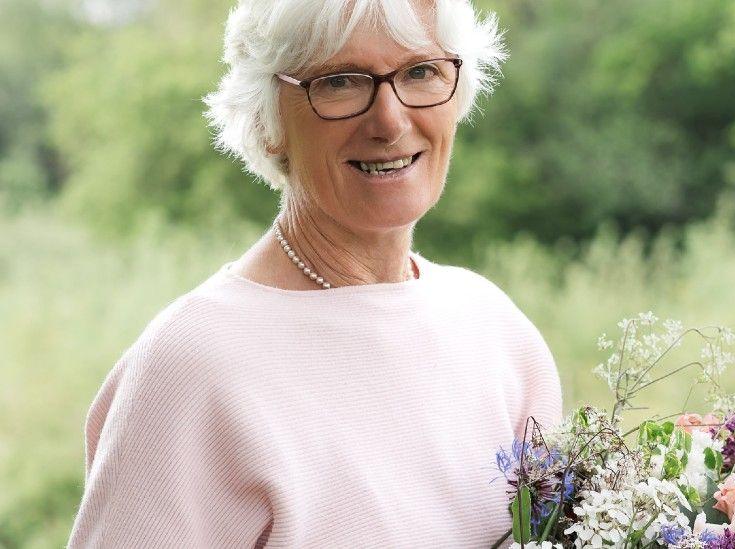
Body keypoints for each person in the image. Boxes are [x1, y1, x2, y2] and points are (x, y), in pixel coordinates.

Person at [66, 0, 563, 547]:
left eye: (421, 72)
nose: (390, 121)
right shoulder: (190, 367)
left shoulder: (495, 330)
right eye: (341, 82)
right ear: (269, 119)